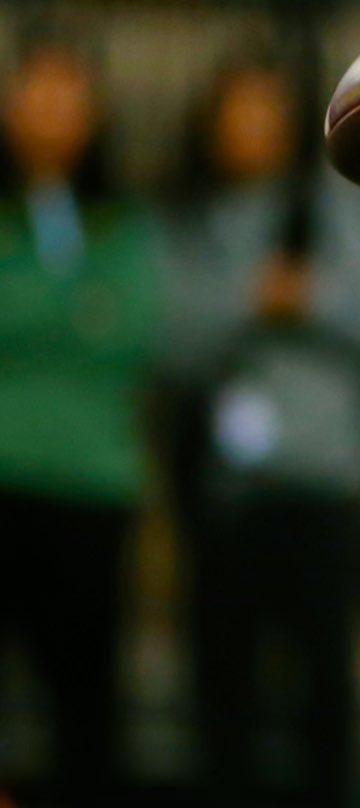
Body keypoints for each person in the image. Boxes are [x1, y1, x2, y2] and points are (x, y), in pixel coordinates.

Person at [157, 59, 360, 807]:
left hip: (324, 484)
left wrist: (313, 298)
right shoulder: (189, 219)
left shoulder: (345, 208)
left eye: (267, 112)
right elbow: (165, 342)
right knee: (223, 684)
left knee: (326, 691)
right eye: (237, 112)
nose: (252, 129)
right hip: (225, 488)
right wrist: (248, 303)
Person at [0, 42, 160, 805]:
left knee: (86, 709)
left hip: (93, 491)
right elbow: (89, 319)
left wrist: (31, 308)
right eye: (37, 95)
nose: (51, 115)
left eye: (69, 98)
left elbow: (132, 328)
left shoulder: (123, 225)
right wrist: (72, 305)